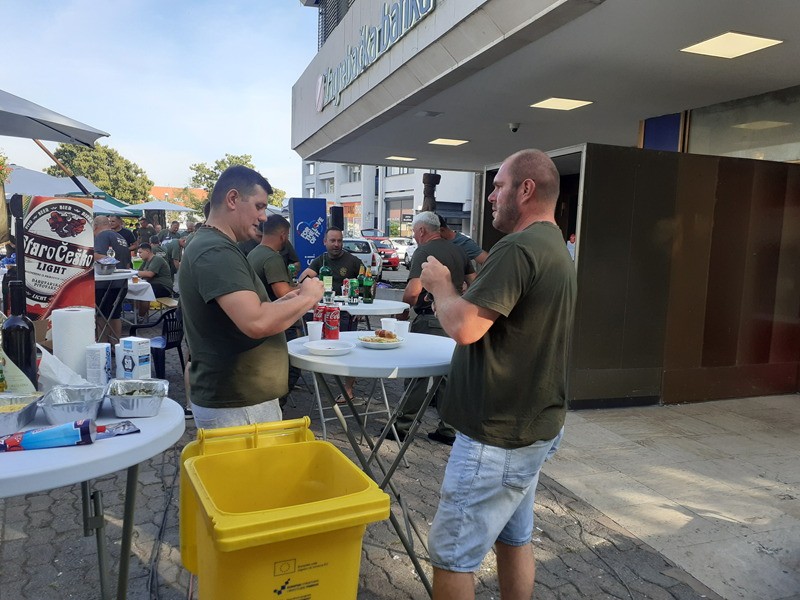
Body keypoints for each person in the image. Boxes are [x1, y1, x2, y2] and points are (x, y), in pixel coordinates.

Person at [419, 149, 576, 599]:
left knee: (452, 556)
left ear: (526, 190)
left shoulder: (519, 247)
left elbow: (464, 327)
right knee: (514, 537)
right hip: (528, 427)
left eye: (498, 186)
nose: (490, 196)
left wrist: (440, 286)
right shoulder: (553, 246)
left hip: (497, 437)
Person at [178, 165, 323, 429]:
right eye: (259, 206)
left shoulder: (216, 246)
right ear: (233, 199)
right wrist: (308, 298)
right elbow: (255, 321)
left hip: (240, 402)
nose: (263, 217)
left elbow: (246, 310)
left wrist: (288, 300)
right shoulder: (215, 250)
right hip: (238, 405)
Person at [393, 211, 474, 446]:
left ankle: (402, 427)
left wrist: (402, 311)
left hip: (430, 319)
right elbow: (475, 282)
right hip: (455, 320)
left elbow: (412, 292)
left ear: (421, 230)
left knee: (418, 375)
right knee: (448, 375)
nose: (414, 236)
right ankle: (448, 429)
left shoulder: (424, 251)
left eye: (414, 232)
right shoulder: (458, 250)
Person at [246, 214, 303, 407]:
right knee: (292, 366)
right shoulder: (272, 257)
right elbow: (283, 293)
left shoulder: (254, 253)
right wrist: (305, 289)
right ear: (283, 235)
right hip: (277, 323)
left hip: (259, 320)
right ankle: (277, 407)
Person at [93, 215, 131, 344]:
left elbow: (98, 255)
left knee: (101, 316)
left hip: (105, 283)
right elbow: (127, 263)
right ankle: (116, 346)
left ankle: (103, 347)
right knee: (115, 315)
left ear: (95, 226)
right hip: (121, 283)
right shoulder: (121, 237)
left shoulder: (102, 236)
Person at [298, 227, 362, 291]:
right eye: (333, 241)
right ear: (325, 241)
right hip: (326, 296)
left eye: (339, 241)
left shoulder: (354, 261)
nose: (336, 244)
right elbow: (302, 279)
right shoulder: (320, 260)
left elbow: (365, 283)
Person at [134, 242, 173, 320]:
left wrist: (133, 272)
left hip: (164, 287)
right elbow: (140, 273)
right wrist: (137, 273)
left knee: (144, 293)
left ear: (147, 251)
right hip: (153, 285)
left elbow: (149, 274)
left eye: (140, 252)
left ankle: (141, 317)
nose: (139, 255)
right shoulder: (146, 261)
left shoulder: (157, 259)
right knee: (137, 292)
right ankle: (140, 314)